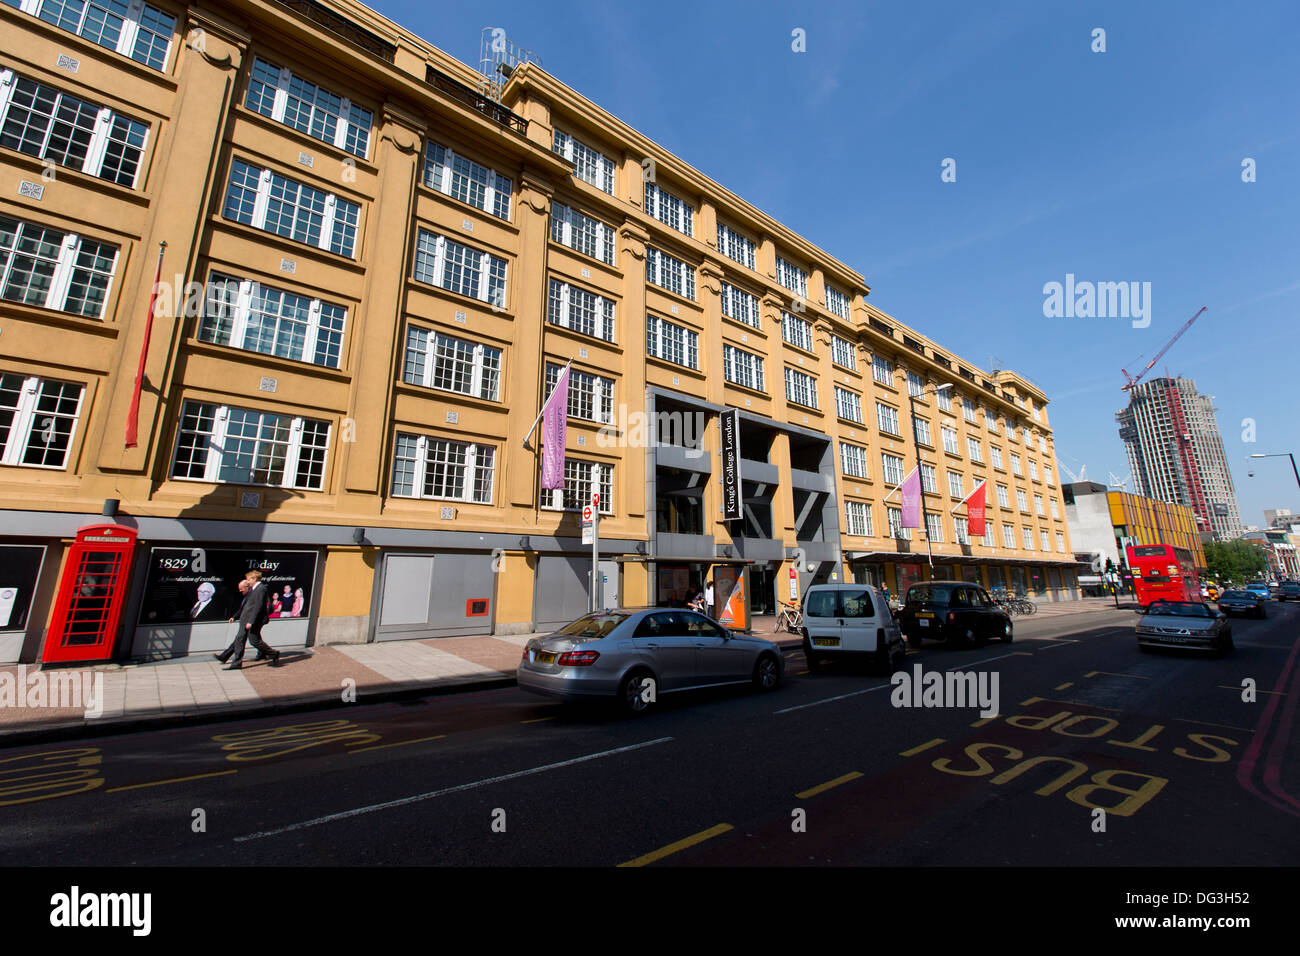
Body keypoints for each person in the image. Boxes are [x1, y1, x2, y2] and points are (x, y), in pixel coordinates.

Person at [214, 571, 279, 669]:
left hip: (250, 620)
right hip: (245, 619)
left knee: (254, 640)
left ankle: (273, 654)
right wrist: (235, 617)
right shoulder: (254, 589)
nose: (248, 581)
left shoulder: (261, 589)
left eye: (249, 579)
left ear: (254, 579)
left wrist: (251, 621)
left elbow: (258, 606)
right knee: (240, 640)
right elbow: (246, 607)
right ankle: (236, 663)